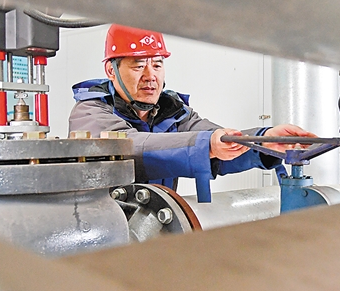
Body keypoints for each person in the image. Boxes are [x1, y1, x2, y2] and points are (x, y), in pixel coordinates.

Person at [68, 23, 316, 201]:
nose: (150, 76)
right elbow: (130, 147)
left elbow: (216, 140)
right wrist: (207, 145)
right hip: (101, 230)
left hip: (153, 224)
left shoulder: (172, 111)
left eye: (157, 64)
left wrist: (263, 142)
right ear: (111, 71)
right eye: (139, 65)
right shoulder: (90, 112)